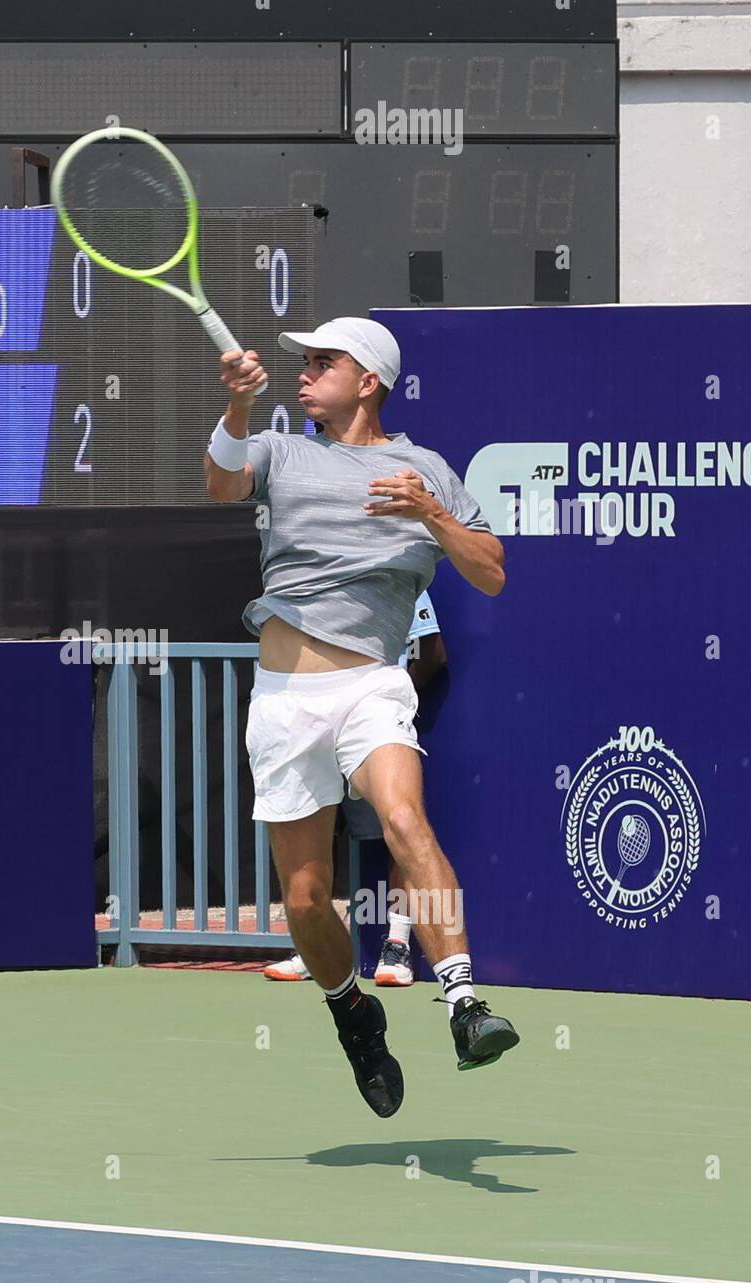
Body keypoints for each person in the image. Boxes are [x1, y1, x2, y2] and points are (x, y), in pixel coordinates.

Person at [204, 317, 519, 1118]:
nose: (303, 374)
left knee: (407, 819)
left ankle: (463, 1005)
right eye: (300, 363)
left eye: (322, 362)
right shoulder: (281, 450)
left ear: (368, 378)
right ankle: (352, 1012)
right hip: (283, 698)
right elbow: (222, 484)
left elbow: (489, 574)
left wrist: (431, 516)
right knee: (306, 900)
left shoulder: (426, 470)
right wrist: (238, 409)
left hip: (372, 685)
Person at [263, 590, 443, 987]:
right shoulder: (310, 577)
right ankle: (315, 948)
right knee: (319, 831)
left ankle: (397, 947)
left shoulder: (399, 575)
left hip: (374, 725)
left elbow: (432, 651)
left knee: (398, 832)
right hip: (315, 726)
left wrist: (392, 704)